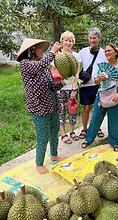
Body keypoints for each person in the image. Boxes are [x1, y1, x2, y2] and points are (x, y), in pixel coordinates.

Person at [17, 38, 74, 175]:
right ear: (31, 51)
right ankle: (39, 163)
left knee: (54, 132)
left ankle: (54, 155)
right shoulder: (26, 64)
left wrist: (67, 81)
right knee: (43, 136)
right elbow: (39, 66)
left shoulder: (45, 67)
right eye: (39, 48)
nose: (42, 50)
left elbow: (52, 86)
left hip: (52, 104)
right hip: (39, 107)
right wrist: (53, 52)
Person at [81, 43, 118, 151]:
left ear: (116, 52)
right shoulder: (102, 65)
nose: (107, 53)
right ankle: (88, 139)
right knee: (95, 119)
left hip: (116, 97)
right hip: (102, 97)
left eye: (109, 51)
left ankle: (114, 142)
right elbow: (96, 82)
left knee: (115, 121)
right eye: (106, 51)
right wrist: (99, 78)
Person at [51, 31, 81, 144]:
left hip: (71, 88)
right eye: (66, 40)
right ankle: (63, 134)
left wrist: (73, 89)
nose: (68, 43)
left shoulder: (76, 56)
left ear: (73, 42)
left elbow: (76, 74)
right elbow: (52, 74)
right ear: (62, 41)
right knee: (61, 111)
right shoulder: (56, 56)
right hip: (60, 89)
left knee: (72, 110)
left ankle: (72, 131)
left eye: (71, 41)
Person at [78, 27, 107, 139]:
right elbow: (76, 65)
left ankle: (97, 128)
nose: (92, 40)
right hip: (86, 85)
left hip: (99, 85)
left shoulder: (104, 53)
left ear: (99, 39)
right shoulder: (83, 52)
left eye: (94, 38)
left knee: (97, 109)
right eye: (90, 38)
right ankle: (84, 128)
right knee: (86, 108)